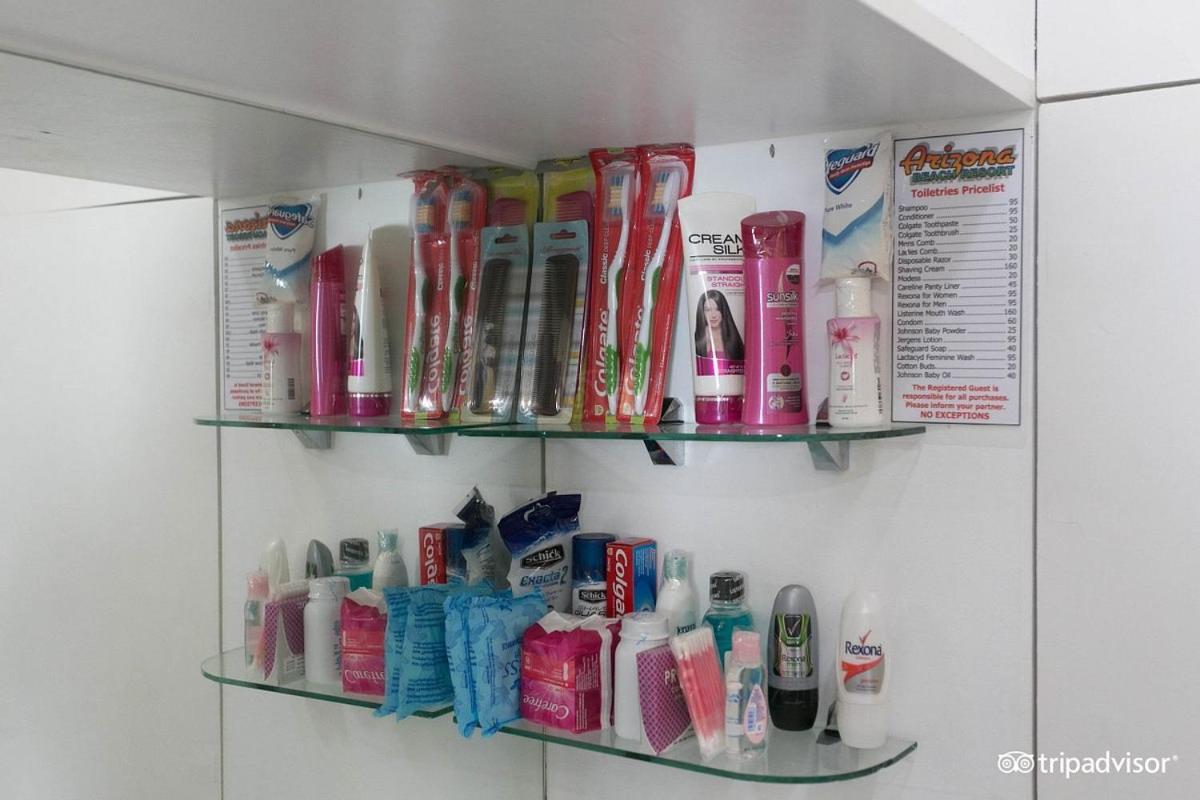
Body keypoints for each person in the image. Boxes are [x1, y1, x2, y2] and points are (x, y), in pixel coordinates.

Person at [694, 289, 744, 361]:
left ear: (723, 310)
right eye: (708, 310)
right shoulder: (697, 339)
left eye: (717, 309)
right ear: (702, 312)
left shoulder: (734, 339)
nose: (713, 315)